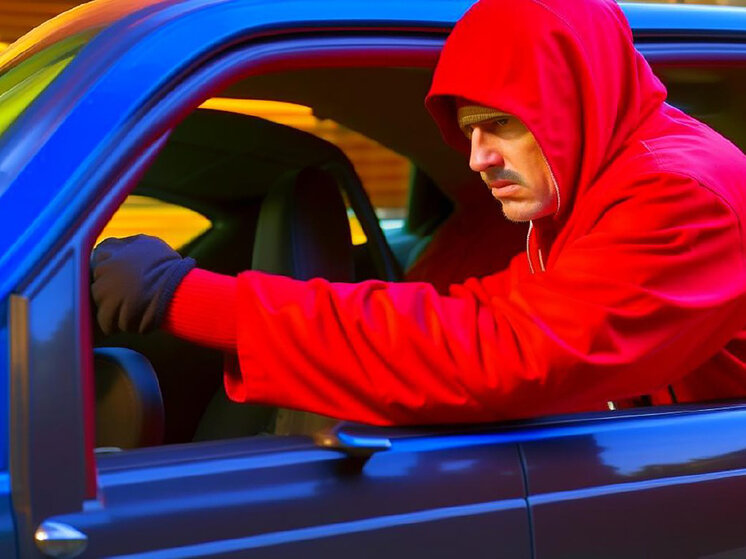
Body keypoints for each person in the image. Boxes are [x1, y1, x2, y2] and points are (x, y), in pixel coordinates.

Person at [92, 0, 746, 426]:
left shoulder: (683, 196)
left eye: (500, 123)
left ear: (575, 101)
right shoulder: (591, 191)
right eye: (468, 131)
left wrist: (192, 299)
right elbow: (480, 314)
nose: (478, 158)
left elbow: (507, 354)